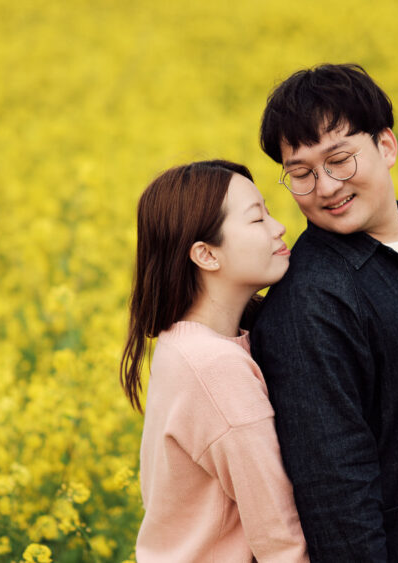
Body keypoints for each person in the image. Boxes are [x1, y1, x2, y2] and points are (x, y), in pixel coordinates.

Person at [250, 63, 398, 562]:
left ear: (386, 146)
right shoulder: (310, 302)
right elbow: (335, 490)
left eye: (340, 159)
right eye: (302, 173)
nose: (327, 187)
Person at [120, 160, 309, 562]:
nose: (279, 227)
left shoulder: (179, 346)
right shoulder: (214, 367)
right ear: (206, 255)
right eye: (257, 218)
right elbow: (282, 542)